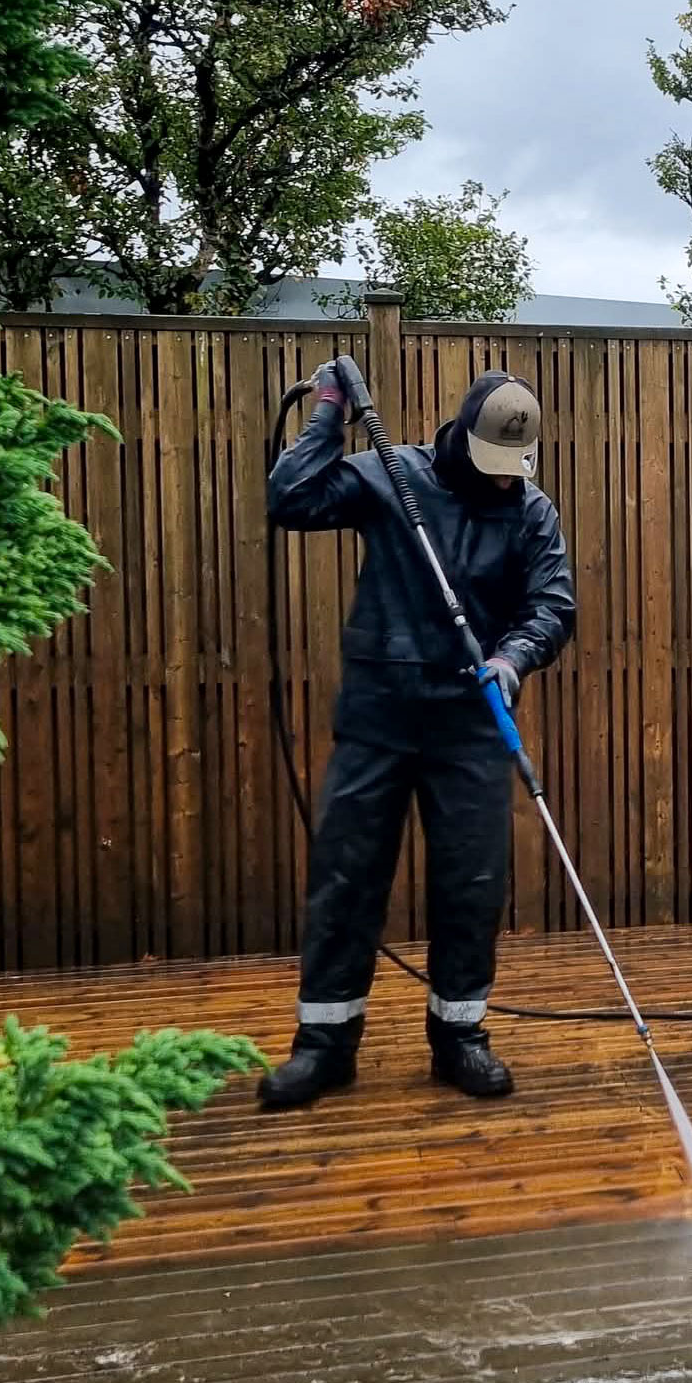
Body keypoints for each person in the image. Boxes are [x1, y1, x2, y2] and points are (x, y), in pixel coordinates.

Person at [259, 363, 576, 1110]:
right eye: (492, 463)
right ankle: (324, 1045)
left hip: (470, 718)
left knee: (472, 882)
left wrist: (513, 657)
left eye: (514, 467)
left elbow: (553, 604)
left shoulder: (531, 511)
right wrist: (328, 412)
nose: (503, 479)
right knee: (346, 877)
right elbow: (291, 497)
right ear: (462, 436)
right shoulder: (393, 475)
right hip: (378, 714)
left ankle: (460, 1034)